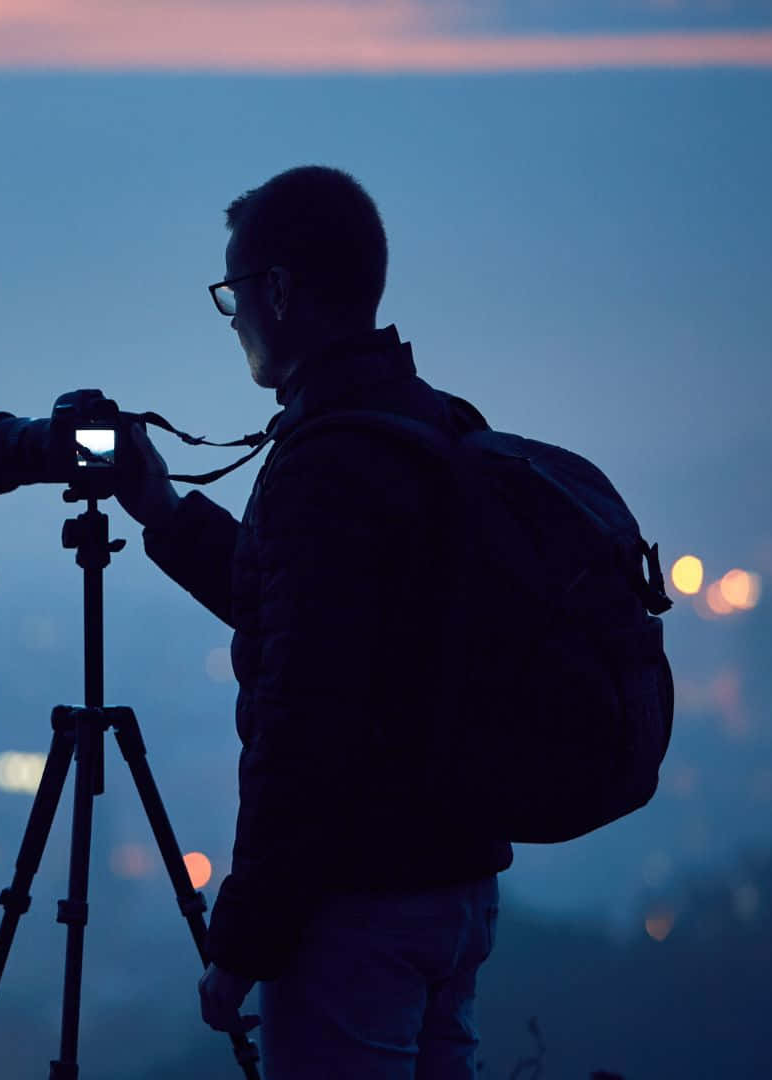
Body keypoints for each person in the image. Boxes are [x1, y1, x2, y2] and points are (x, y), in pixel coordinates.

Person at [114, 165, 511, 1079]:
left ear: (279, 291)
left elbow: (306, 720)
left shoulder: (324, 465)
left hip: (359, 908)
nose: (235, 322)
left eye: (234, 296)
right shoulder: (437, 428)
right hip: (459, 887)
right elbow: (311, 615)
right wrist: (166, 513)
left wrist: (243, 942)